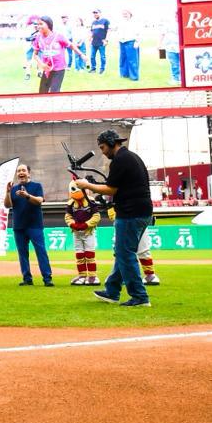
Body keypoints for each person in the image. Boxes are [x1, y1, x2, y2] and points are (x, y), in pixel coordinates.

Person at [76, 130, 154, 307]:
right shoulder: (132, 157)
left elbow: (111, 189)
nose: (102, 151)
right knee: (123, 252)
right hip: (142, 211)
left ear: (112, 143)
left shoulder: (120, 160)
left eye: (103, 147)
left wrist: (87, 185)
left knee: (125, 254)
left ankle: (140, 297)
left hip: (130, 213)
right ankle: (112, 291)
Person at [5, 163, 52, 286]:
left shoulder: (36, 186)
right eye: (19, 171)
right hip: (19, 226)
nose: (21, 173)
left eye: (23, 170)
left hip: (34, 225)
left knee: (41, 251)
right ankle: (27, 279)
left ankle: (47, 279)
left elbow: (39, 201)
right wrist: (8, 192)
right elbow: (7, 205)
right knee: (22, 254)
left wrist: (27, 196)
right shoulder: (14, 188)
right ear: (17, 174)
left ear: (28, 173)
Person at [64, 181, 102, 286]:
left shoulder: (91, 201)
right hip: (76, 233)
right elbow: (68, 216)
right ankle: (82, 275)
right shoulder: (70, 203)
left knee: (90, 254)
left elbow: (96, 216)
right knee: (79, 255)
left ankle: (92, 276)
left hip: (88, 232)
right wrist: (72, 224)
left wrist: (86, 224)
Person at [31, 16, 80, 94]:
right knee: (42, 92)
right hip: (47, 69)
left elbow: (71, 45)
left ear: (48, 25)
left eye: (41, 24)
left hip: (59, 69)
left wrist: (81, 55)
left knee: (54, 92)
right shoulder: (38, 37)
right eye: (38, 24)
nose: (38, 26)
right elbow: (35, 54)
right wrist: (42, 64)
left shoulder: (58, 36)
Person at [117, 9, 141, 81]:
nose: (124, 15)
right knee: (123, 59)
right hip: (122, 42)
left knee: (132, 60)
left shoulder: (135, 22)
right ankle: (124, 75)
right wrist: (118, 42)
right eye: (123, 13)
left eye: (126, 13)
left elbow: (139, 33)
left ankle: (134, 77)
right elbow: (118, 33)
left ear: (130, 14)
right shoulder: (121, 23)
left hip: (131, 42)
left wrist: (137, 42)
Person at [89, 9, 110, 73]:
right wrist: (90, 38)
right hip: (94, 42)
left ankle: (102, 69)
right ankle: (93, 69)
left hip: (102, 42)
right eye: (94, 13)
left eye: (96, 12)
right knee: (92, 56)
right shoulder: (93, 22)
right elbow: (92, 31)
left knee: (102, 57)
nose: (95, 14)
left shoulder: (105, 21)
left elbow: (108, 31)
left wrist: (106, 40)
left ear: (100, 13)